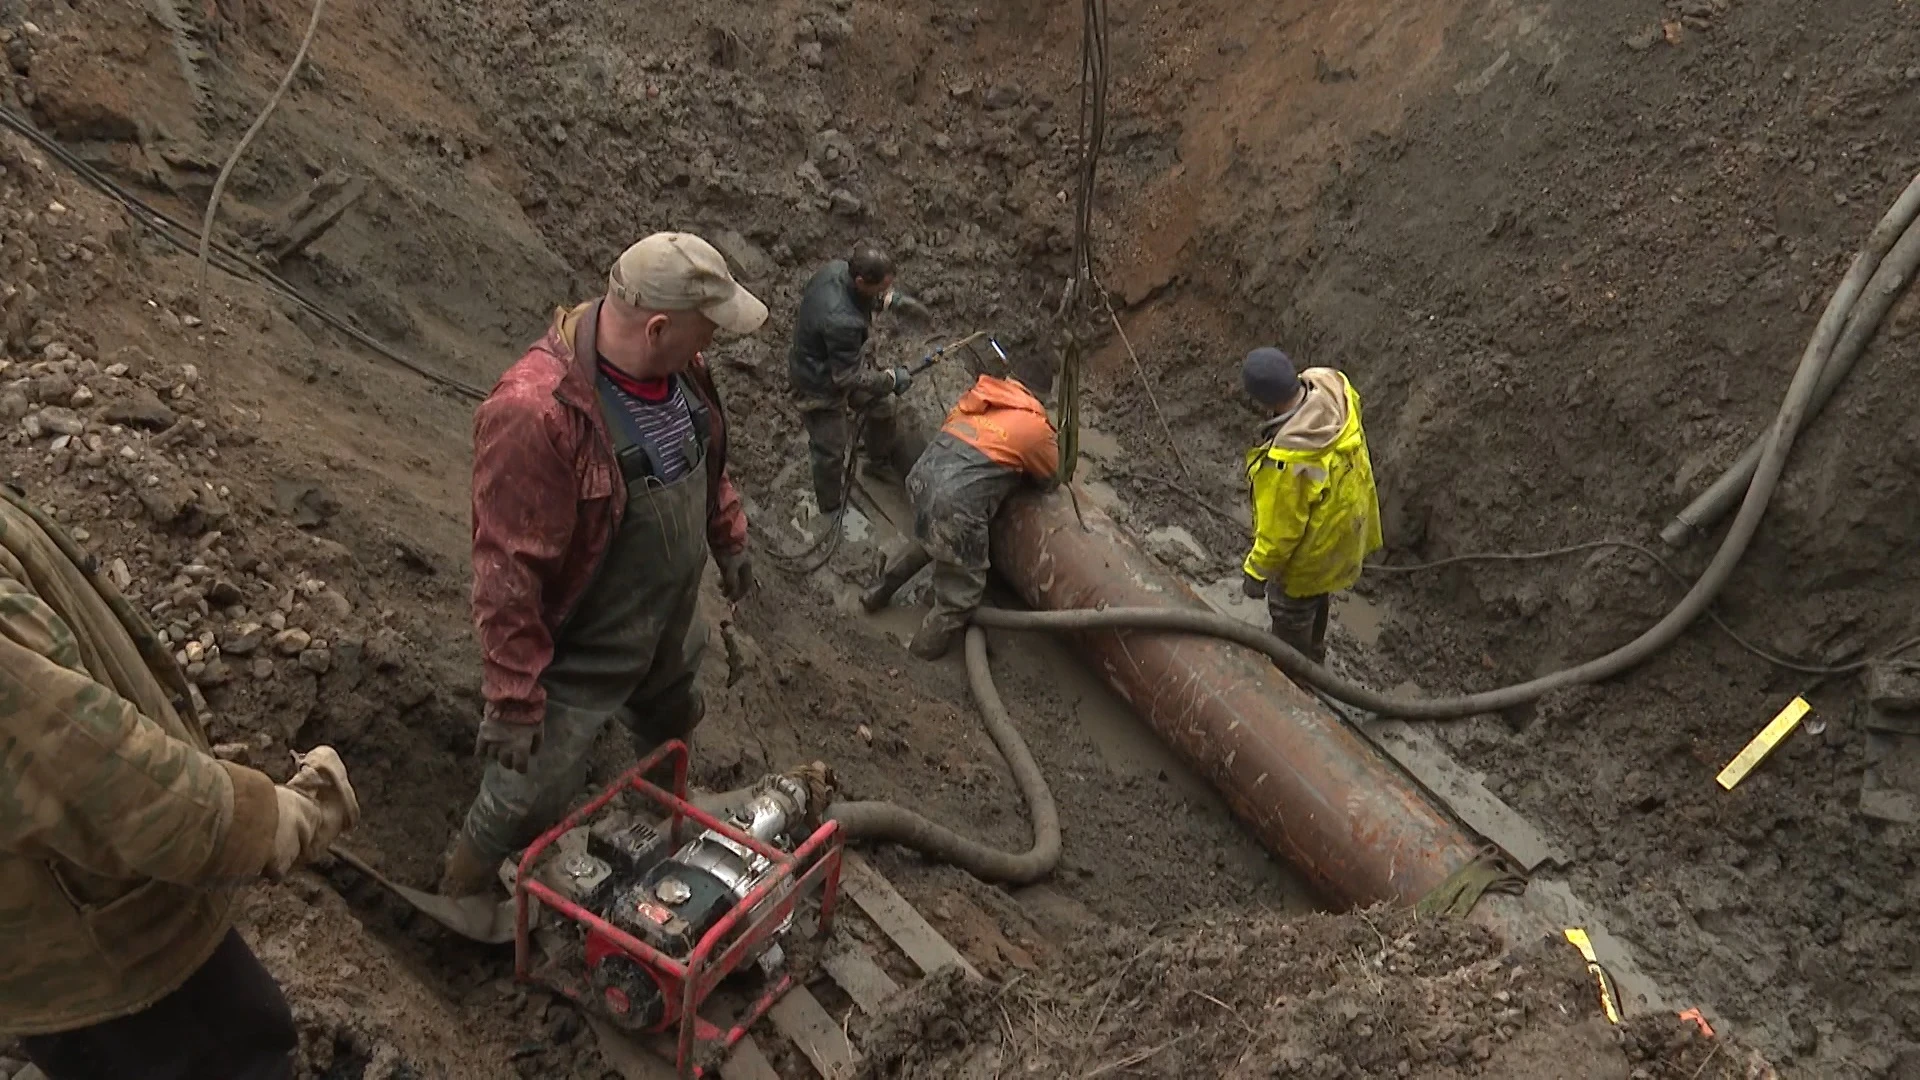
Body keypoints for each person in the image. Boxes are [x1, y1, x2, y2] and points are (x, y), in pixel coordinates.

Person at [443, 232, 766, 896]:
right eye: (704, 330)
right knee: (526, 795)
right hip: (586, 644)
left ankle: (654, 826)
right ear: (656, 327)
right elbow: (507, 575)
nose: (710, 347)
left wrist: (728, 537)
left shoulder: (681, 371)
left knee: (673, 714)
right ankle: (459, 898)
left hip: (668, 619)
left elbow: (704, 459)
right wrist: (512, 698)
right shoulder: (537, 414)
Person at [0, 486, 361, 1080]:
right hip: (106, 950)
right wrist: (260, 820)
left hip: (92, 918)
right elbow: (89, 762)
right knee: (241, 1053)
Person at [860, 347, 1058, 659]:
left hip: (923, 478)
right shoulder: (1035, 426)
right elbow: (1048, 477)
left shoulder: (980, 395)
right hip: (957, 504)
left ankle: (877, 592)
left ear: (1012, 379)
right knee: (962, 594)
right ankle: (916, 658)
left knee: (931, 538)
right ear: (1041, 396)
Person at [1238, 346, 1383, 663]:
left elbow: (1281, 534)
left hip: (1313, 551)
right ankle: (1315, 652)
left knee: (1290, 607)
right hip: (1347, 527)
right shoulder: (1334, 386)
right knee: (1318, 595)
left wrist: (1256, 572)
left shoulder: (1289, 462)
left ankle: (1293, 670)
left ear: (1265, 400)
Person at [787, 242, 931, 513]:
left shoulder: (837, 269)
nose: (883, 293)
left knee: (883, 406)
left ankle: (877, 463)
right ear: (861, 280)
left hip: (835, 360)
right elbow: (846, 378)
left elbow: (860, 298)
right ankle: (830, 506)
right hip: (818, 384)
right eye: (880, 289)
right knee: (830, 451)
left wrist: (890, 301)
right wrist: (890, 379)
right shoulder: (842, 321)